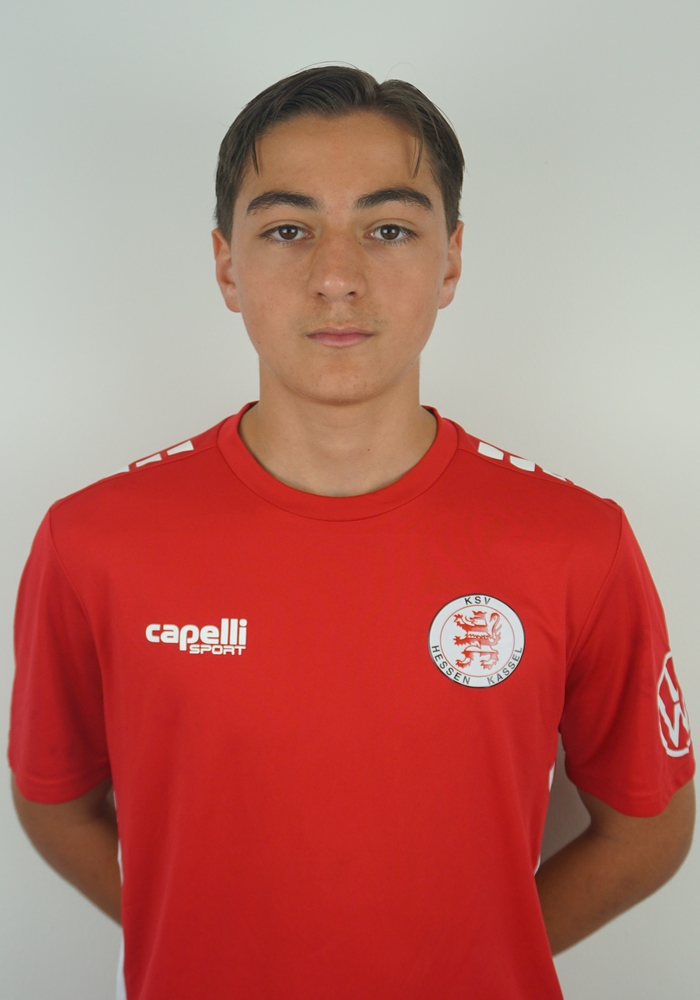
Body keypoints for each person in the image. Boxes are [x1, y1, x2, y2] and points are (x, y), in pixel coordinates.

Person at [8, 66, 695, 1000]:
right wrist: (201, 936)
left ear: (451, 261)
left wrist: (469, 958)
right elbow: (55, 801)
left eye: (389, 229)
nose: (337, 277)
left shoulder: (577, 542)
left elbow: (648, 826)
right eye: (288, 230)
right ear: (226, 265)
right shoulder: (94, 541)